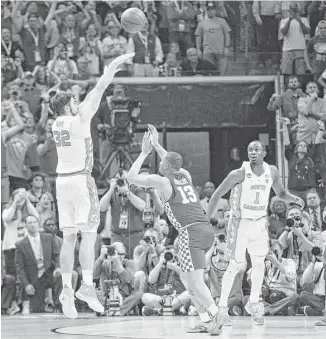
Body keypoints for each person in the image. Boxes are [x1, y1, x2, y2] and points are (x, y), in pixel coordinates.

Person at [50, 52, 134, 319]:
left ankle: (66, 288)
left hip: (61, 182)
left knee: (68, 238)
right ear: (68, 105)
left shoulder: (56, 124)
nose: (78, 103)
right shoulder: (79, 118)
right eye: (74, 101)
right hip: (80, 180)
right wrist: (112, 66)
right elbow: (99, 89)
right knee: (89, 235)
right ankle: (86, 286)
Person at [127, 125, 221, 336]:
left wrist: (144, 152)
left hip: (191, 232)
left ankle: (217, 314)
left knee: (195, 282)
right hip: (205, 229)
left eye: (162, 161)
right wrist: (157, 145)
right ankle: (206, 319)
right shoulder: (185, 175)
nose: (159, 162)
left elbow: (132, 177)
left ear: (166, 166)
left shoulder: (162, 180)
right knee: (189, 281)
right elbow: (169, 160)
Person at [206, 140, 304, 329]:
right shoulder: (239, 173)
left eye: (257, 149)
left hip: (260, 223)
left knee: (259, 264)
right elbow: (217, 195)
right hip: (240, 223)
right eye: (250, 149)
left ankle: (254, 302)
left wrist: (293, 198)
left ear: (264, 152)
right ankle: (222, 308)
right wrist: (205, 220)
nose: (253, 152)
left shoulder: (272, 171)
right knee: (235, 265)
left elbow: (281, 192)